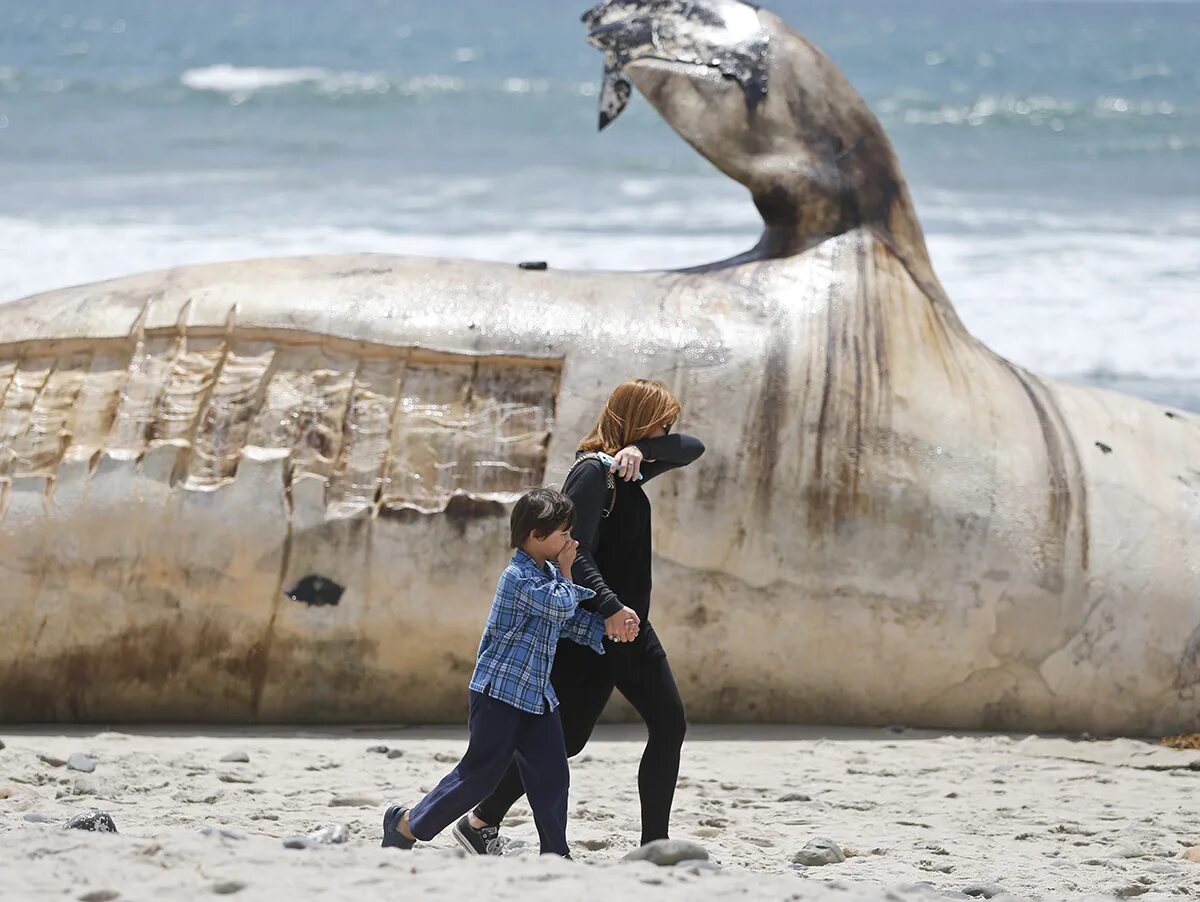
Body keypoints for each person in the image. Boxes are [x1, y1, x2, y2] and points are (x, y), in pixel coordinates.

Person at [456, 379, 705, 854]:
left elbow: (692, 448)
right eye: (659, 421)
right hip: (592, 627)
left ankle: (655, 846)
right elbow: (575, 552)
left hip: (632, 629)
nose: (668, 430)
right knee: (564, 741)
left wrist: (640, 446)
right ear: (632, 416)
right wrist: (609, 606)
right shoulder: (592, 475)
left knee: (669, 724)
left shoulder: (628, 469)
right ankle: (479, 821)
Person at [381, 488, 606, 857]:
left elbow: (565, 622)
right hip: (499, 694)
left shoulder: (546, 574)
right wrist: (568, 570)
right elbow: (559, 606)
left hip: (536, 696)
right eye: (563, 534)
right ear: (535, 535)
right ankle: (406, 824)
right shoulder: (518, 577)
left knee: (552, 775)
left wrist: (606, 629)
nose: (571, 541)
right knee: (479, 776)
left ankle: (556, 853)